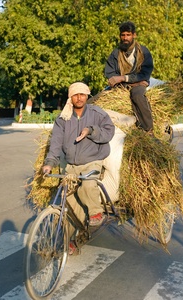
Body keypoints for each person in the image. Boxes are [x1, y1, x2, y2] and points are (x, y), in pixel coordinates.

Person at [42, 82, 115, 253]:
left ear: (87, 96)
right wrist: (49, 163)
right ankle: (77, 232)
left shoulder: (97, 113)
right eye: (75, 95)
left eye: (82, 94)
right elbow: (56, 143)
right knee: (67, 200)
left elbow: (109, 132)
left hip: (92, 160)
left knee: (88, 184)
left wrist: (91, 130)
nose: (79, 98)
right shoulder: (63, 118)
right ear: (70, 97)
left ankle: (96, 213)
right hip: (71, 164)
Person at [104, 21, 155, 133]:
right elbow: (110, 74)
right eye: (123, 35)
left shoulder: (143, 52)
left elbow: (145, 74)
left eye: (128, 35)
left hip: (136, 85)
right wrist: (128, 82)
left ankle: (148, 129)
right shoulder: (115, 54)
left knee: (137, 95)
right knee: (97, 99)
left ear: (134, 35)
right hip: (121, 86)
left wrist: (123, 78)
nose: (125, 38)